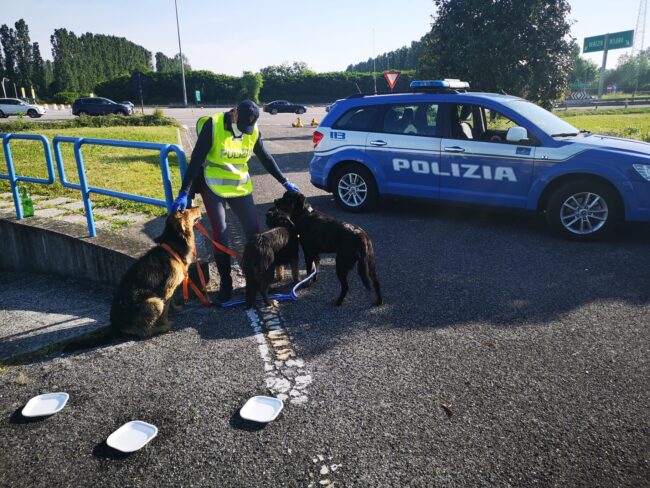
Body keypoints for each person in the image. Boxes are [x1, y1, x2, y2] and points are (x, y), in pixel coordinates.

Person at [170, 100, 300, 301]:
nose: (245, 131)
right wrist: (184, 192)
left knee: (254, 233)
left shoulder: (252, 130)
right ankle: (226, 281)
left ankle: (256, 277)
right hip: (213, 184)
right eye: (242, 126)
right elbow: (195, 160)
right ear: (234, 113)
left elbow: (264, 156)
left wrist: (285, 181)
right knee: (221, 235)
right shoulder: (212, 126)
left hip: (239, 186)